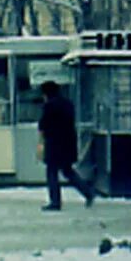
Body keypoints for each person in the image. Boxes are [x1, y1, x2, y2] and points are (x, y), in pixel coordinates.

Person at [38, 80, 95, 211]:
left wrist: (42, 141)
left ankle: (55, 202)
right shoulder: (67, 104)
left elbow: (44, 124)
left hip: (54, 143)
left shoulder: (49, 106)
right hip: (68, 143)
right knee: (68, 171)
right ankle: (87, 192)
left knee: (51, 172)